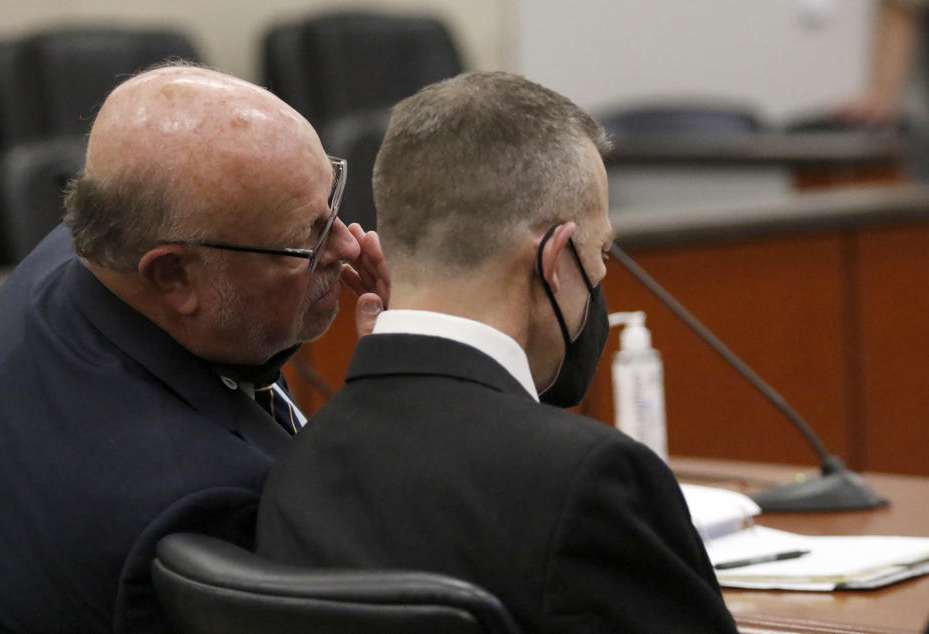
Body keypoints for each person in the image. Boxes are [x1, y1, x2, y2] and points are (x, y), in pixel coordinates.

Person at [255, 71, 737, 633]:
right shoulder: (591, 479)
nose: (601, 274)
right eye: (599, 252)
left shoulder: (294, 460)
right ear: (555, 260)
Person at [0, 64, 385, 633]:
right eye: (308, 236)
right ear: (173, 275)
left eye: (332, 200)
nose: (348, 243)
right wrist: (394, 402)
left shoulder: (80, 252)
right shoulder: (204, 506)